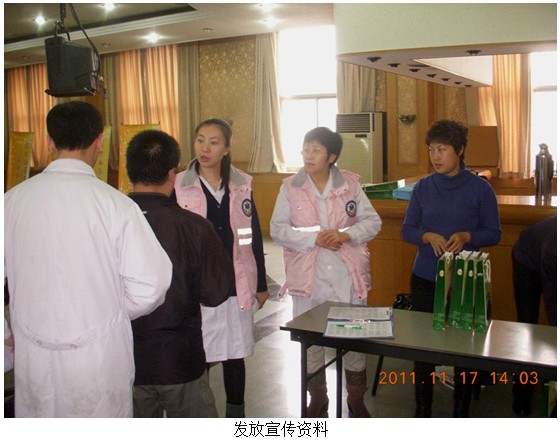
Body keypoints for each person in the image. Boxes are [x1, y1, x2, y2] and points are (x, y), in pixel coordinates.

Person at [3, 101, 172, 418]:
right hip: (98, 355)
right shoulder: (116, 206)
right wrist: (110, 311)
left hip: (33, 350)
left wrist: (4, 331)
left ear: (50, 143)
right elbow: (152, 285)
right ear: (98, 143)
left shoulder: (11, 202)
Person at [270, 127, 382, 418]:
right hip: (308, 276)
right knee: (311, 339)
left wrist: (346, 234)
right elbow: (277, 229)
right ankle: (318, 397)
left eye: (316, 150)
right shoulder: (290, 187)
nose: (308, 155)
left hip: (348, 274)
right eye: (306, 149)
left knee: (355, 337)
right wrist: (314, 239)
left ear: (331, 157)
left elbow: (372, 222)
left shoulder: (350, 185)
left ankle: (356, 399)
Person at [126, 129, 235, 417]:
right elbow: (215, 293)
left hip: (124, 362)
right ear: (172, 174)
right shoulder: (194, 227)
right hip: (180, 360)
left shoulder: (106, 222)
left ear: (129, 171)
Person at [401, 119, 502, 418]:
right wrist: (426, 236)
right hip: (425, 277)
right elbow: (407, 230)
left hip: (465, 280)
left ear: (459, 150)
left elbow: (494, 234)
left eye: (442, 149)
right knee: (423, 347)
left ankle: (461, 411)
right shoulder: (423, 187)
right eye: (431, 149)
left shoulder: (480, 189)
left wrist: (468, 236)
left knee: (465, 349)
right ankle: (423, 410)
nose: (435, 156)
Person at [174, 118, 269, 418]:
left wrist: (261, 284)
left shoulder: (241, 185)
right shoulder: (179, 185)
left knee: (235, 354)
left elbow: (253, 235)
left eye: (213, 142)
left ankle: (235, 417)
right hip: (199, 287)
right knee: (200, 354)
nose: (204, 148)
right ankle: (200, 416)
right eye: (200, 140)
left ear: (226, 149)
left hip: (236, 282)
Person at [510, 215, 557, 416]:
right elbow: (554, 301)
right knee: (528, 330)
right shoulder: (553, 249)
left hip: (545, 253)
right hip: (526, 261)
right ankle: (522, 396)